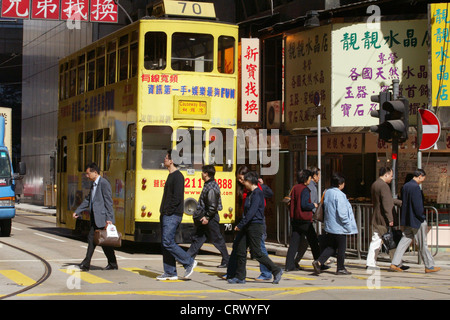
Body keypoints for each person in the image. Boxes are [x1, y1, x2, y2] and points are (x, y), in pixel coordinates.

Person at [228, 171, 283, 284]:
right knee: (241, 250)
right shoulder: (249, 194)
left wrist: (240, 225)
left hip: (255, 226)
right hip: (247, 226)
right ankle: (240, 276)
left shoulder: (258, 193)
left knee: (257, 252)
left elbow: (252, 212)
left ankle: (276, 270)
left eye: (245, 181)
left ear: (249, 181)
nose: (243, 183)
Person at [390, 169, 440, 273]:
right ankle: (429, 266)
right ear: (420, 176)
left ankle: (395, 263)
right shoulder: (416, 188)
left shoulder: (406, 186)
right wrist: (421, 217)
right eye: (423, 178)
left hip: (408, 219)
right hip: (417, 221)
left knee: (404, 241)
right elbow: (418, 206)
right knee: (422, 243)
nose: (422, 181)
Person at [157, 150, 197, 281]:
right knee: (165, 243)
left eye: (166, 158)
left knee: (168, 242)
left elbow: (177, 198)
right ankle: (170, 272)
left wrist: (168, 211)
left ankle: (189, 262)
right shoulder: (170, 175)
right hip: (166, 214)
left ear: (172, 160)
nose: (164, 159)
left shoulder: (178, 176)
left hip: (172, 214)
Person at [73, 163, 117, 271]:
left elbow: (108, 202)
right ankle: (112, 263)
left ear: (95, 172)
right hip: (95, 218)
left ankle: (86, 264)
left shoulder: (104, 183)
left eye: (88, 174)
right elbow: (88, 199)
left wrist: (109, 219)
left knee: (93, 240)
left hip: (102, 218)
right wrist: (78, 211)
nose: (87, 176)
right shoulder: (94, 184)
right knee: (103, 242)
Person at [312, 173, 357, 275]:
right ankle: (340, 268)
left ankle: (318, 262)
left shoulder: (327, 192)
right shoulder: (340, 195)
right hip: (339, 226)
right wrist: (347, 224)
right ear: (340, 184)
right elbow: (342, 213)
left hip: (330, 225)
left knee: (331, 247)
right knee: (341, 248)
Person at [187, 165, 229, 268]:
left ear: (206, 174)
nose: (201, 174)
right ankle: (187, 259)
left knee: (217, 239)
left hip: (210, 218)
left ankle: (227, 260)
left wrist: (207, 217)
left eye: (202, 172)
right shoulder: (210, 185)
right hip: (207, 217)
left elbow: (212, 206)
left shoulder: (211, 188)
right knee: (198, 238)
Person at [366, 167, 404, 269]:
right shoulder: (384, 186)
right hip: (383, 219)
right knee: (390, 241)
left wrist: (398, 202)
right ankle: (396, 263)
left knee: (376, 241)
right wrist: (390, 219)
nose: (392, 178)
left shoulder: (375, 184)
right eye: (391, 176)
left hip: (376, 217)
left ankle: (370, 263)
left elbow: (387, 200)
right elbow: (387, 203)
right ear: (386, 175)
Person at [285, 169, 321, 271]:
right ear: (306, 178)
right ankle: (319, 262)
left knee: (293, 244)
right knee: (314, 242)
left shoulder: (295, 187)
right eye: (309, 177)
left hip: (295, 219)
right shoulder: (304, 189)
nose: (310, 179)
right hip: (305, 220)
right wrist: (313, 205)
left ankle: (289, 265)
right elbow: (304, 205)